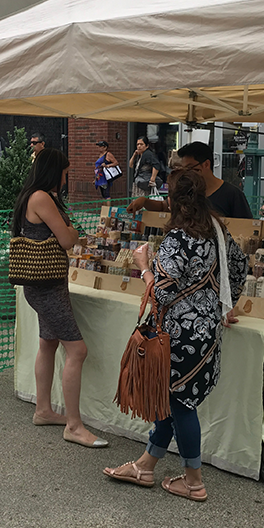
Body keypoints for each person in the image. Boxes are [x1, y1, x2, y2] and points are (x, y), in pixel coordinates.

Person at [104, 169, 247, 501]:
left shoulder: (177, 239)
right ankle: (145, 465)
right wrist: (224, 305)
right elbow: (239, 268)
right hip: (207, 334)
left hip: (178, 337)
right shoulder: (217, 231)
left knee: (180, 405)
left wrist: (143, 265)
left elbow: (161, 294)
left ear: (173, 201)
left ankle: (194, 482)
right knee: (173, 401)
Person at [12, 147, 108, 449]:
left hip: (45, 284)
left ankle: (43, 410)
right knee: (77, 351)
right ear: (55, 171)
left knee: (48, 343)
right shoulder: (41, 197)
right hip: (46, 285)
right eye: (65, 173)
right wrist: (71, 230)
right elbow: (67, 240)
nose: (67, 179)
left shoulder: (36, 196)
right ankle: (74, 425)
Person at [128, 142, 252, 219]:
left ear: (206, 164)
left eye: (189, 168)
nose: (185, 173)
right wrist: (143, 201)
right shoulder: (185, 190)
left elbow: (246, 228)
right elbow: (164, 207)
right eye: (183, 169)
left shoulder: (232, 195)